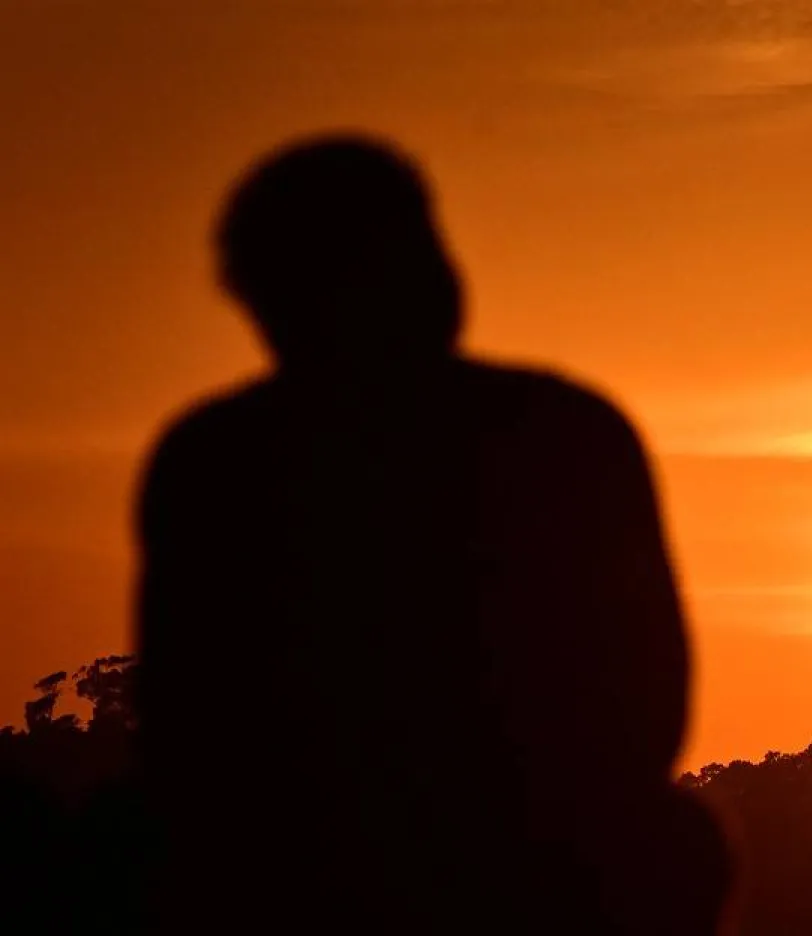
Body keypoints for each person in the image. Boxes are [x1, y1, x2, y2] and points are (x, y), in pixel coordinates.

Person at [133, 135, 731, 934]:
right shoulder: (566, 430)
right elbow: (652, 698)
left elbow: (183, 725)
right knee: (675, 840)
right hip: (479, 859)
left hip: (342, 857)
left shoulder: (211, 456)